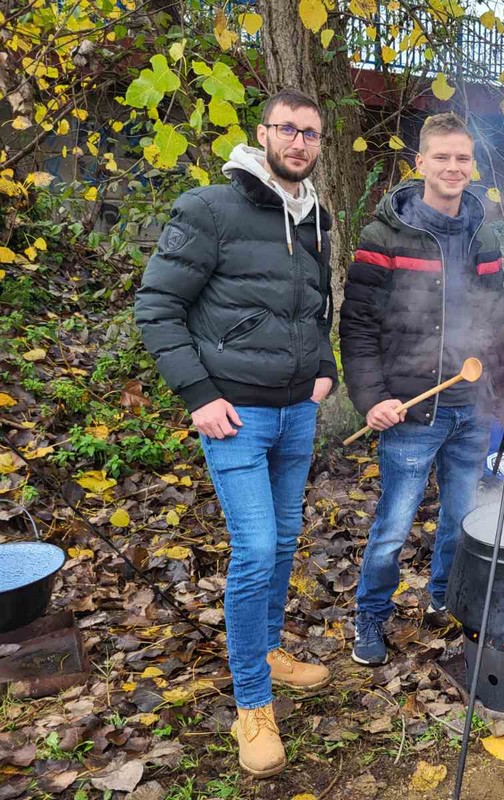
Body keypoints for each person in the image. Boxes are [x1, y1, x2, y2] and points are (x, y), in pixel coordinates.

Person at [135, 89, 336, 778]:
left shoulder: (315, 217)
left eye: (310, 134)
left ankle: (268, 650)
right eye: (288, 130)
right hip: (236, 418)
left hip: (296, 413)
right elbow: (158, 304)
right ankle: (251, 703)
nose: (299, 143)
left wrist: (325, 369)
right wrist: (198, 395)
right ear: (263, 134)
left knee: (283, 539)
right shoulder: (208, 208)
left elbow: (316, 305)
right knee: (254, 548)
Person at [340, 112, 504, 666]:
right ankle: (371, 616)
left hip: (470, 408)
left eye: (463, 158)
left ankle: (444, 600)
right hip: (412, 413)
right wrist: (371, 399)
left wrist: (500, 392)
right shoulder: (384, 234)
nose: (453, 167)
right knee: (392, 527)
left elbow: (494, 317)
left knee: (462, 522)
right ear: (421, 163)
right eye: (442, 157)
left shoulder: (483, 234)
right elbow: (359, 325)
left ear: (473, 165)